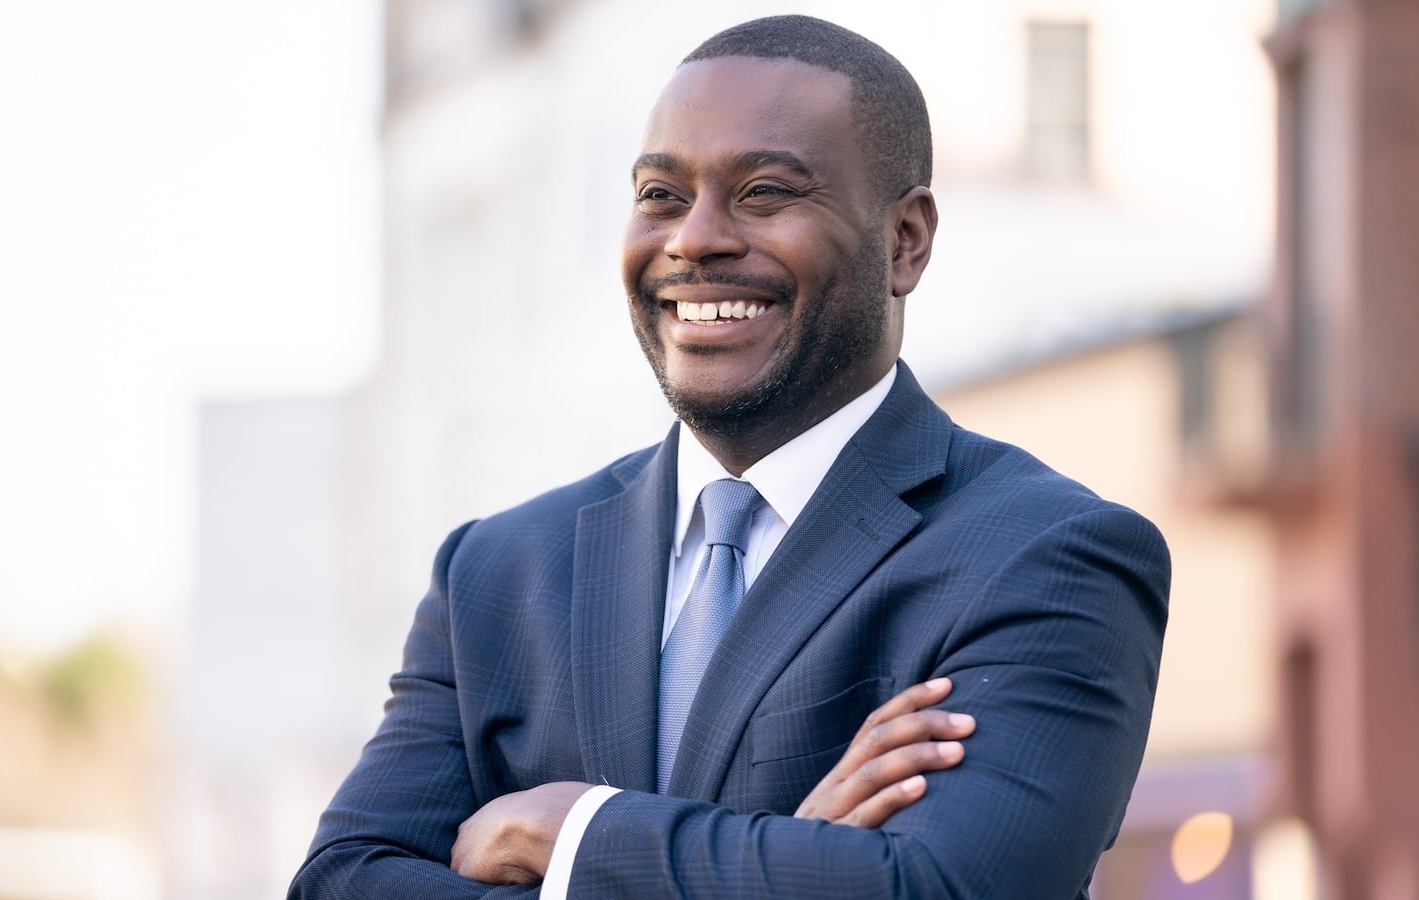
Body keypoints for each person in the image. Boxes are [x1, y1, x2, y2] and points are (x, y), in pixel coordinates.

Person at [290, 14, 1169, 899]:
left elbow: (943, 889)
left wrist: (568, 835)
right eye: (661, 196)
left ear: (904, 241)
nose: (692, 237)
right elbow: (340, 883)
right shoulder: (494, 575)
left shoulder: (1046, 558)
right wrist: (788, 855)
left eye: (763, 192)